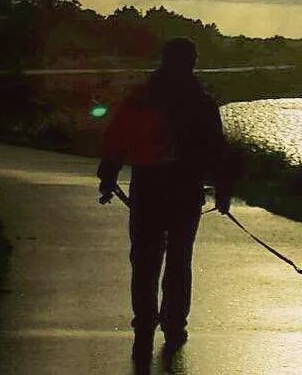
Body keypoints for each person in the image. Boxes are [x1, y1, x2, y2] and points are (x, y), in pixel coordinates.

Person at [97, 37, 233, 368]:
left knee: (144, 258)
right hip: (185, 190)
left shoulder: (141, 98)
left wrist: (108, 176)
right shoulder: (202, 103)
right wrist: (225, 190)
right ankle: (175, 326)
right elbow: (217, 151)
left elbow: (118, 137)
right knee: (179, 260)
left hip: (148, 187)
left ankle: (144, 322)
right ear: (191, 62)